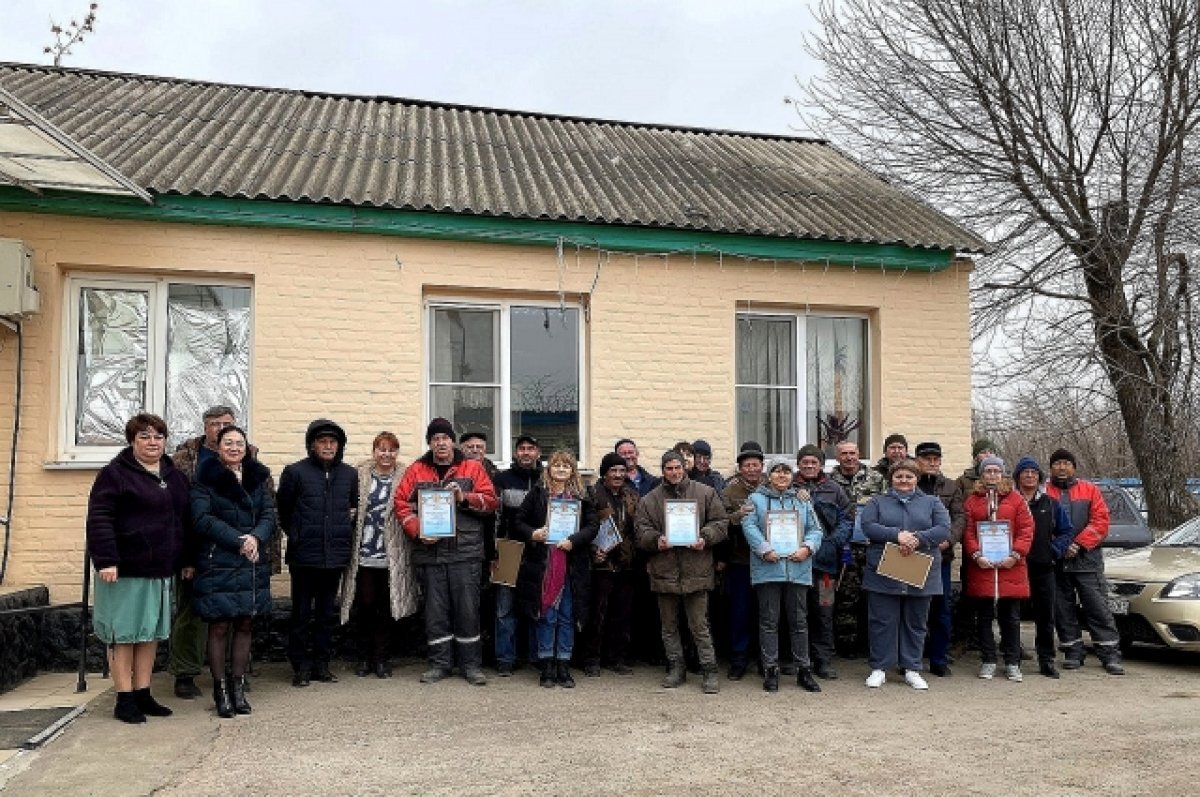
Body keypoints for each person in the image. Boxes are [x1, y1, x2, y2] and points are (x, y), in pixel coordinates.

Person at [86, 413, 190, 723]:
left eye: (158, 436)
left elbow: (183, 521)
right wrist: (106, 559)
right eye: (145, 436)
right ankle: (124, 698)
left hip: (160, 569)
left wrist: (185, 559)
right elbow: (99, 518)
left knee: (149, 634)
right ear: (133, 440)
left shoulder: (174, 476)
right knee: (124, 635)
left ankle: (143, 693)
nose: (152, 442)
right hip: (123, 570)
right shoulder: (114, 474)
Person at [395, 418, 499, 685]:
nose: (440, 443)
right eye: (435, 439)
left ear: (453, 441)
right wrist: (418, 530)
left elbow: (491, 502)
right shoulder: (416, 470)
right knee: (435, 611)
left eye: (445, 438)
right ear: (430, 443)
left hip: (466, 552)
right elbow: (401, 505)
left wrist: (464, 498)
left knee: (468, 611)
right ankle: (440, 664)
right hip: (430, 553)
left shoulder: (472, 468)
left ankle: (471, 665)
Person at [189, 425, 275, 717]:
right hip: (219, 561)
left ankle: (238, 688)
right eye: (229, 443)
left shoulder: (258, 476)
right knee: (220, 625)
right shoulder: (205, 478)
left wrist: (256, 537)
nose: (235, 448)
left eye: (240, 443)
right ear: (219, 446)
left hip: (251, 560)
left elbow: (269, 515)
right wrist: (238, 540)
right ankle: (220, 690)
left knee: (245, 624)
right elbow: (202, 519)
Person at [635, 450, 728, 694]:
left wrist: (704, 538)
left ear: (684, 468)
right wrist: (656, 540)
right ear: (663, 470)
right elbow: (641, 531)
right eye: (669, 468)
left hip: (696, 569)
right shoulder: (650, 499)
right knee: (669, 627)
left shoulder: (705, 493)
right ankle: (676, 667)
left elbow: (720, 523)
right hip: (665, 571)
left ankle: (709, 670)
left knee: (699, 626)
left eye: (678, 467)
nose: (674, 472)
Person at [277, 419, 359, 687]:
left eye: (333, 442)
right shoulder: (295, 472)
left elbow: (352, 509)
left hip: (334, 556)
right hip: (304, 556)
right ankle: (300, 665)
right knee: (301, 613)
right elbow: (284, 511)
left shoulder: (349, 475)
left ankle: (322, 664)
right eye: (322, 441)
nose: (328, 446)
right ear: (312, 445)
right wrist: (298, 534)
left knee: (326, 614)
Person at [860, 458, 950, 690]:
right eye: (899, 476)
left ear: (916, 479)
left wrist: (917, 539)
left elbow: (942, 528)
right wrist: (897, 535)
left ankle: (912, 668)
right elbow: (868, 526)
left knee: (916, 622)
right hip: (884, 569)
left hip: (920, 568)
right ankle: (879, 668)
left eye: (909, 476)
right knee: (882, 621)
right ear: (891, 479)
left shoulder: (932, 502)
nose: (904, 480)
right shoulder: (877, 502)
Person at [513, 450, 599, 688]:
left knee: (567, 617)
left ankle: (563, 665)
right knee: (546, 616)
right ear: (548, 469)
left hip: (571, 565)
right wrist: (534, 533)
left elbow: (593, 526)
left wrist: (574, 540)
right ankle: (547, 665)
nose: (561, 469)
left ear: (573, 470)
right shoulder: (538, 494)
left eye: (566, 466)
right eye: (556, 465)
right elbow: (518, 521)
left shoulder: (582, 497)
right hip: (544, 564)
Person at [742, 458, 825, 693]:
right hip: (769, 568)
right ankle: (770, 669)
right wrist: (764, 549)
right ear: (769, 475)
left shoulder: (802, 500)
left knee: (799, 621)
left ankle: (803, 670)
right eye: (777, 471)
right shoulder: (755, 500)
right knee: (769, 622)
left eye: (786, 472)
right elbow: (749, 526)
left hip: (797, 567)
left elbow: (815, 529)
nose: (782, 476)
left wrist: (807, 548)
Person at [168, 405, 234, 699]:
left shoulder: (248, 455)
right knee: (190, 613)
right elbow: (176, 511)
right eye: (215, 424)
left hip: (233, 549)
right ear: (205, 427)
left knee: (233, 610)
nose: (221, 429)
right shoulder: (184, 460)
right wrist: (184, 556)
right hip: (196, 548)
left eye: (227, 424)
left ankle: (233, 671)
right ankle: (185, 673)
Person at [340, 432, 418, 679]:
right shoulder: (358, 474)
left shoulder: (407, 475)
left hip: (392, 553)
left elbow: (415, 504)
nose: (386, 455)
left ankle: (382, 659)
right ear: (374, 451)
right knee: (365, 605)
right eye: (381, 449)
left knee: (386, 607)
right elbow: (346, 501)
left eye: (391, 450)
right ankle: (364, 657)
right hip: (363, 552)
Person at [1044, 449, 1124, 675]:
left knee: (1097, 607)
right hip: (1058, 561)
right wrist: (1059, 546)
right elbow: (1040, 524)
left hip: (1087, 560)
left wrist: (1077, 544)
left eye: (1066, 463)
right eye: (1057, 463)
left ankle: (1109, 654)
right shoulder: (1044, 491)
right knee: (1062, 609)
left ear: (1074, 467)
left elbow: (1101, 522)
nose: (1062, 467)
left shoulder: (1090, 490)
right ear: (1051, 468)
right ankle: (1072, 651)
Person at [962, 456, 1034, 682]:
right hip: (983, 567)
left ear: (1002, 474)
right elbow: (968, 532)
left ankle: (1012, 661)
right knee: (984, 617)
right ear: (981, 474)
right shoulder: (972, 501)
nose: (992, 475)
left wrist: (1015, 554)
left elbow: (1026, 530)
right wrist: (976, 554)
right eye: (987, 471)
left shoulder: (1016, 499)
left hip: (1010, 567)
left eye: (996, 471)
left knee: (1010, 617)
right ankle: (988, 659)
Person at [793, 444, 852, 680]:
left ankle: (823, 660)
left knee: (824, 612)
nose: (809, 466)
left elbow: (848, 519)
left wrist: (830, 542)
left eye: (813, 462)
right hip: (796, 562)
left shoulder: (834, 489)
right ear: (798, 464)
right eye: (804, 462)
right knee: (797, 612)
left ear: (821, 464)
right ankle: (798, 658)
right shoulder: (788, 485)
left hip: (826, 565)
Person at [1013, 456, 1074, 678]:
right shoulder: (1009, 502)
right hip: (1014, 567)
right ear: (1017, 476)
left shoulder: (1050, 504)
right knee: (1012, 615)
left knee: (1045, 616)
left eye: (1033, 472)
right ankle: (1013, 656)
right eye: (1025, 472)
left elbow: (1067, 531)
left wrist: (1054, 550)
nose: (1029, 475)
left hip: (1043, 567)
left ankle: (1046, 658)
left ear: (1039, 477)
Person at [581, 452, 639, 676]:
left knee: (622, 614)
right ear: (604, 473)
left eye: (622, 471)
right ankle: (591, 658)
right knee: (597, 614)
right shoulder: (592, 495)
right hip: (600, 565)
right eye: (613, 470)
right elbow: (583, 527)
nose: (618, 475)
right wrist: (592, 551)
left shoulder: (633, 496)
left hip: (626, 565)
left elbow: (638, 528)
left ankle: (616, 658)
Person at [828, 440, 886, 658]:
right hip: (843, 548)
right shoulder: (830, 480)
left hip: (872, 547)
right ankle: (847, 645)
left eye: (853, 453)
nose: (849, 457)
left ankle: (872, 644)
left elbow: (887, 508)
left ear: (859, 454)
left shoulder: (876, 479)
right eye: (844, 453)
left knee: (875, 597)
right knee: (845, 598)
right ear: (837, 456)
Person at [912, 441, 966, 677]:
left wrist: (948, 540)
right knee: (913, 608)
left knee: (941, 609)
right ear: (917, 461)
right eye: (927, 459)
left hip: (941, 557)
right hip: (912, 556)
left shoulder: (951, 486)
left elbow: (960, 517)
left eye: (936, 459)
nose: (932, 463)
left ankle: (938, 659)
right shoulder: (909, 483)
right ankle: (911, 658)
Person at [491, 434, 542, 675]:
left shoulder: (546, 480)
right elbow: (495, 517)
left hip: (538, 551)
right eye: (521, 448)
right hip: (508, 548)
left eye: (530, 449)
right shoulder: (501, 479)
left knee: (536, 605)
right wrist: (494, 549)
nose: (526, 453)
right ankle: (505, 659)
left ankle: (536, 656)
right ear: (515, 453)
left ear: (538, 453)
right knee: (505, 608)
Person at [718, 442, 766, 679]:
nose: (751, 469)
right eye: (747, 465)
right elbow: (721, 522)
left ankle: (765, 659)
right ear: (740, 468)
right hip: (740, 561)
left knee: (765, 612)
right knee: (740, 612)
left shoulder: (773, 486)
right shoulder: (729, 492)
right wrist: (738, 516)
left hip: (769, 560)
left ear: (761, 466)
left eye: (755, 464)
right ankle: (738, 659)